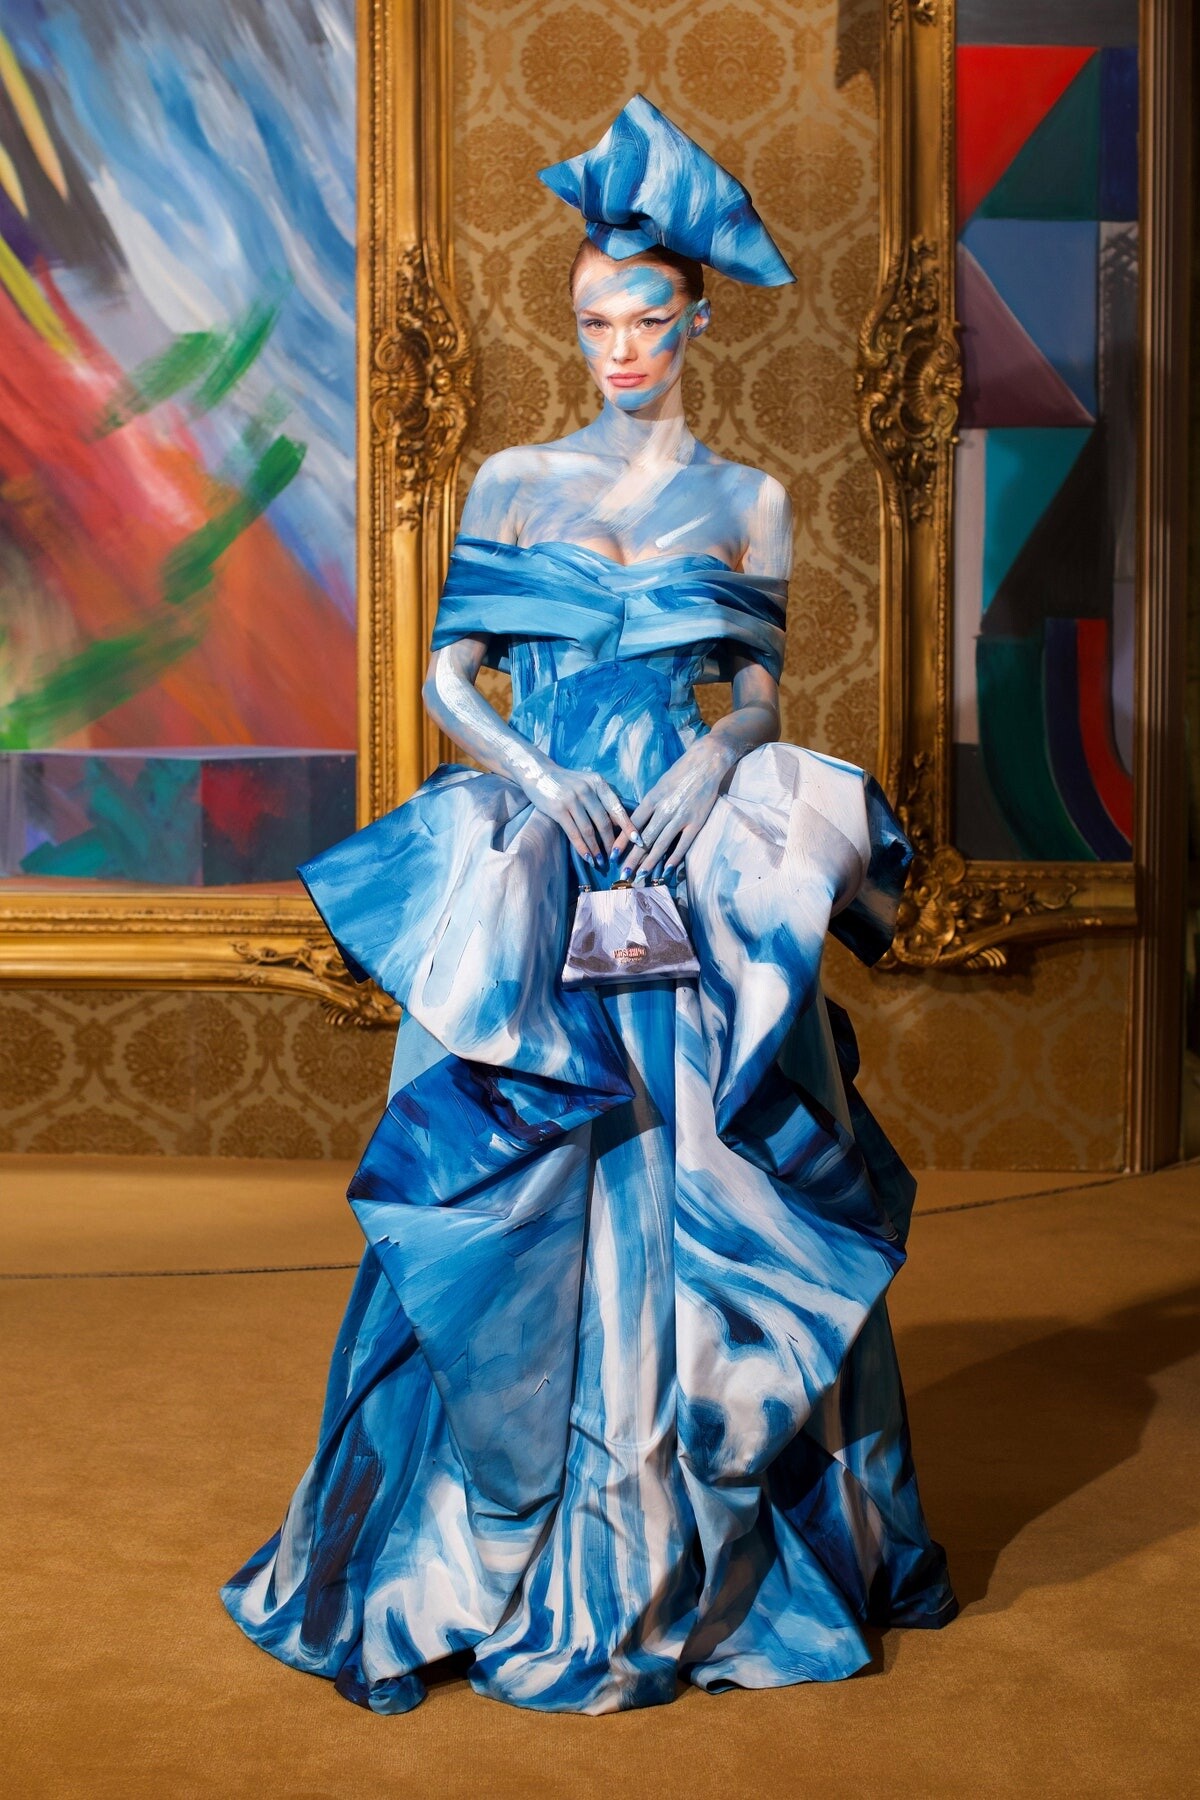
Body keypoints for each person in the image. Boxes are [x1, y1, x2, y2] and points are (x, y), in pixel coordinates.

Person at [222, 94, 956, 1717]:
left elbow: (756, 693)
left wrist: (718, 758)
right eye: (594, 324)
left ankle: (704, 1541)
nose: (619, 349)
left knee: (707, 1169)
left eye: (645, 320)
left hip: (682, 849)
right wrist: (537, 775)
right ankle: (493, 1533)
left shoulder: (752, 500)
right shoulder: (511, 479)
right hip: (547, 843)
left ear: (696, 323)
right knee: (525, 1171)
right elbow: (449, 679)